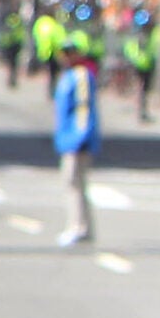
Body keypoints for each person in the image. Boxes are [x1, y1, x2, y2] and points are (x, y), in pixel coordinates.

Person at [55, 35, 99, 248]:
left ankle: (79, 227)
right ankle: (81, 225)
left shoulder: (81, 75)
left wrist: (80, 137)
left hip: (76, 140)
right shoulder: (68, 75)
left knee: (75, 183)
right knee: (73, 184)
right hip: (67, 138)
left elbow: (83, 109)